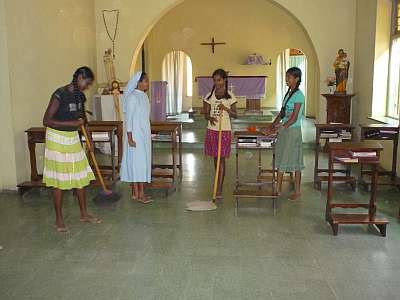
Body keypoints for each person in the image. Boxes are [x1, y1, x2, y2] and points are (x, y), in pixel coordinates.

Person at [42, 66, 101, 232]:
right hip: (57, 140)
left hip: (72, 139)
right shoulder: (59, 94)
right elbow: (46, 120)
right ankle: (59, 219)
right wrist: (72, 124)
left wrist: (89, 139)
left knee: (80, 176)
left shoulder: (80, 96)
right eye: (87, 83)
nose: (87, 86)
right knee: (59, 181)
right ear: (80, 77)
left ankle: (84, 214)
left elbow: (83, 120)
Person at [263, 67, 305, 201]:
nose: (287, 79)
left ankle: (297, 191)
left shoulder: (299, 95)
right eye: (286, 77)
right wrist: (272, 125)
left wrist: (280, 128)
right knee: (281, 158)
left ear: (297, 79)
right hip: (285, 129)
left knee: (295, 160)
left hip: (293, 131)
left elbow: (294, 117)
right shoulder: (289, 93)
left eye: (289, 77)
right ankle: (278, 189)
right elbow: (282, 113)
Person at [203, 69, 237, 199]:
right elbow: (205, 113)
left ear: (225, 80)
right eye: (215, 80)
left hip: (224, 130)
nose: (217, 82)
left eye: (219, 80)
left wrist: (226, 109)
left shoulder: (230, 96)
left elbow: (236, 115)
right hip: (212, 130)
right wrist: (209, 118)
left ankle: (219, 188)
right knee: (215, 159)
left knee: (221, 159)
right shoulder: (209, 96)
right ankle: (217, 182)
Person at [120, 72, 152, 204]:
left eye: (147, 81)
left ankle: (135, 193)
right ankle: (140, 194)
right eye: (144, 81)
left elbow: (143, 117)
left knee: (140, 163)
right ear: (138, 83)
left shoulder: (143, 96)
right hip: (135, 136)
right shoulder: (132, 98)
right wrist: (129, 138)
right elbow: (129, 120)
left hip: (143, 134)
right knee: (138, 164)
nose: (147, 83)